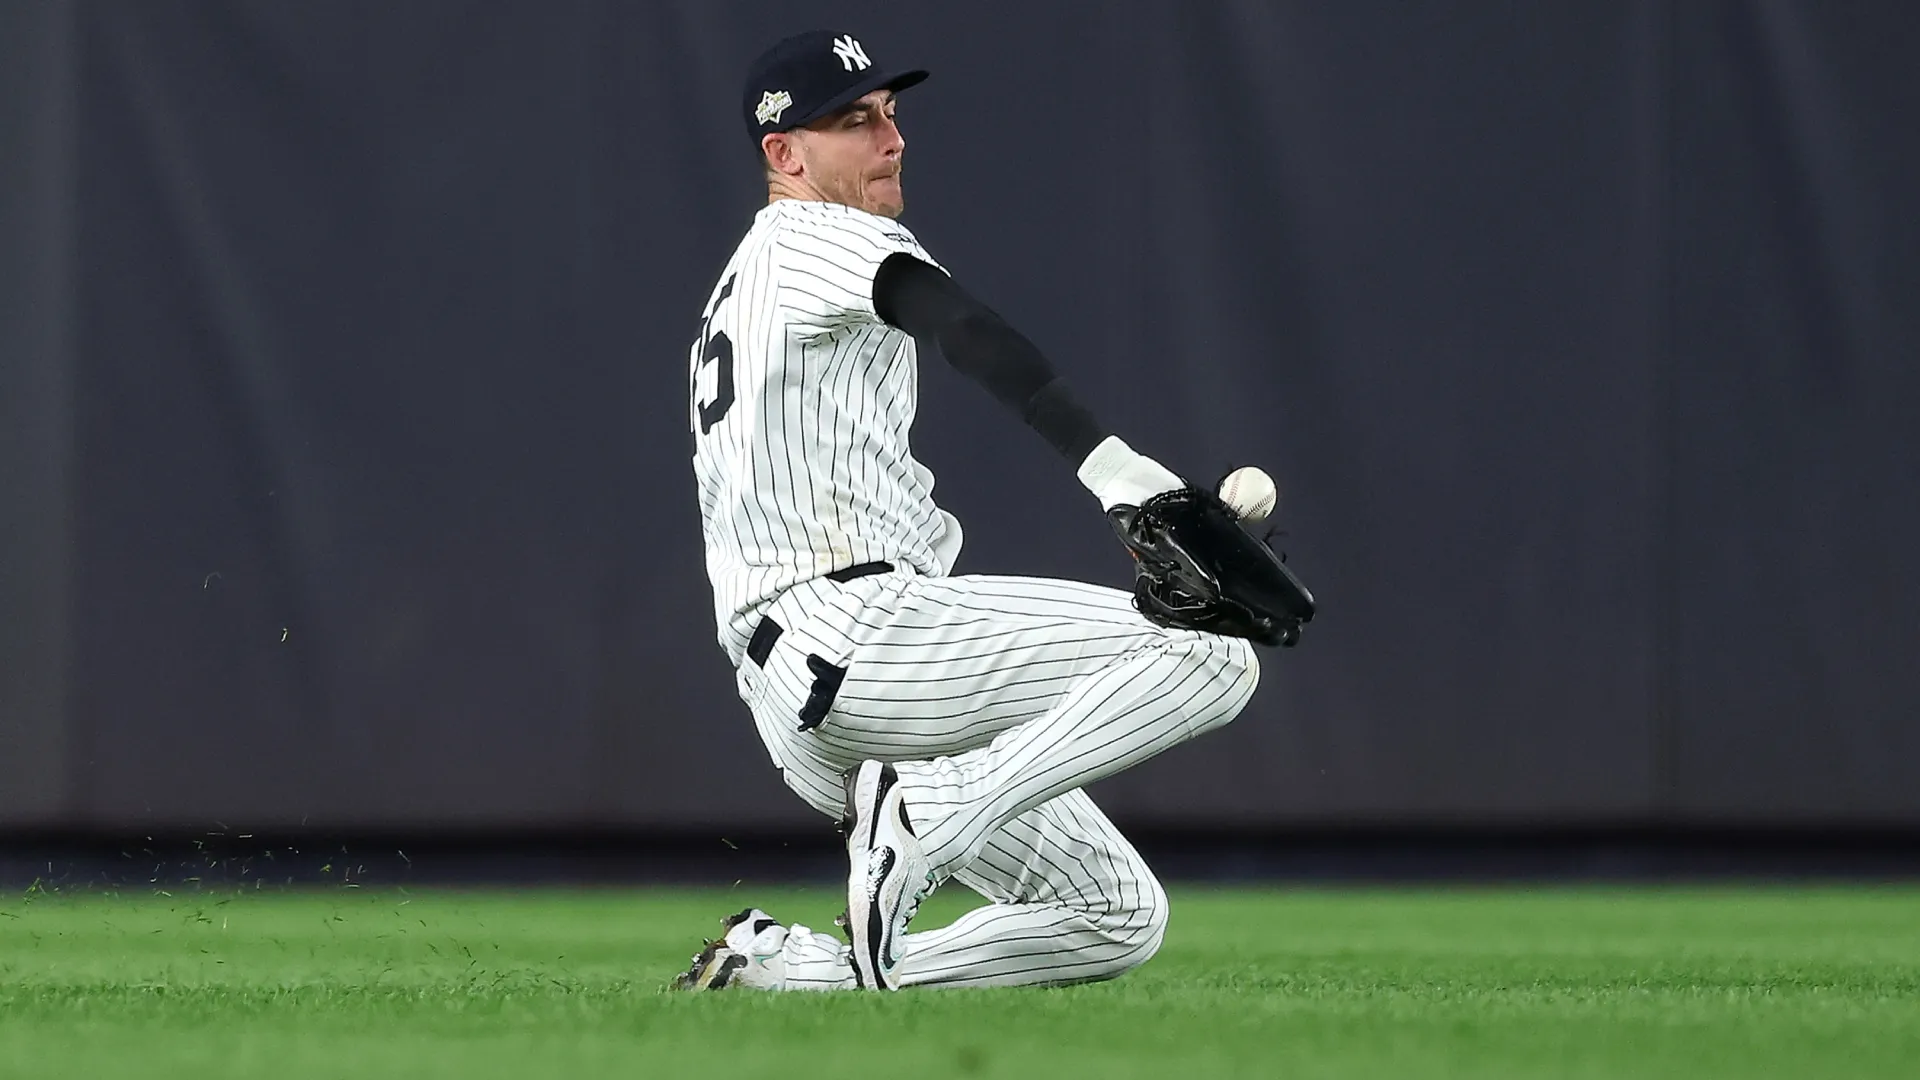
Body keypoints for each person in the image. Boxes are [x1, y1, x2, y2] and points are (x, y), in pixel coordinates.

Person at [674, 30, 1262, 992]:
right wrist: (1115, 467)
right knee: (1212, 651)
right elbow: (965, 328)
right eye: (853, 120)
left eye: (890, 112)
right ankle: (935, 813)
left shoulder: (743, 284)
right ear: (786, 155)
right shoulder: (820, 236)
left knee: (1114, 920)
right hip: (855, 632)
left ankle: (782, 975)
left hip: (799, 689)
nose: (889, 136)